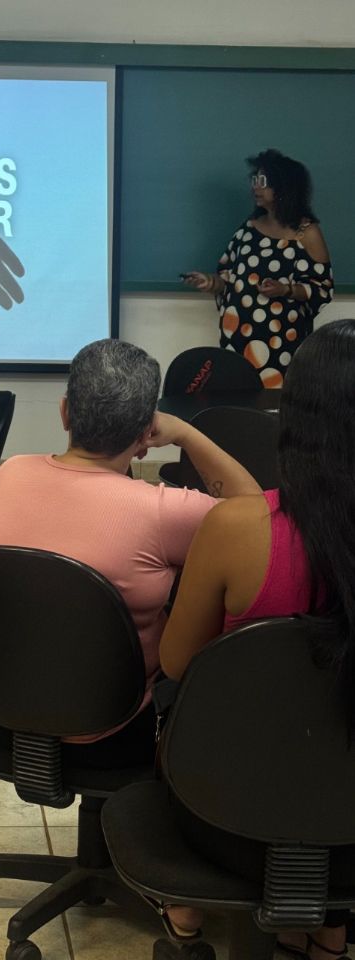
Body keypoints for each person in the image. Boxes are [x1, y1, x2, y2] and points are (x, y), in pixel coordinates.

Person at [0, 338, 261, 768]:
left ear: (65, 413)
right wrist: (186, 432)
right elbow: (255, 515)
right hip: (113, 727)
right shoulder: (162, 511)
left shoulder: (10, 472)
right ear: (146, 434)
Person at [160, 319, 355, 959]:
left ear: (289, 416)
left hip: (229, 816)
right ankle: (326, 923)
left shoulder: (236, 528)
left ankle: (193, 908)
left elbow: (178, 664)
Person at [183, 149, 333, 388]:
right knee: (237, 398)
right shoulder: (249, 227)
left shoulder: (307, 232)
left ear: (285, 187)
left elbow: (322, 289)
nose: (255, 187)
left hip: (282, 341)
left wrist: (285, 289)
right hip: (238, 337)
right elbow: (231, 280)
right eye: (254, 179)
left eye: (263, 181)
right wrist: (211, 282)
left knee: (276, 402)